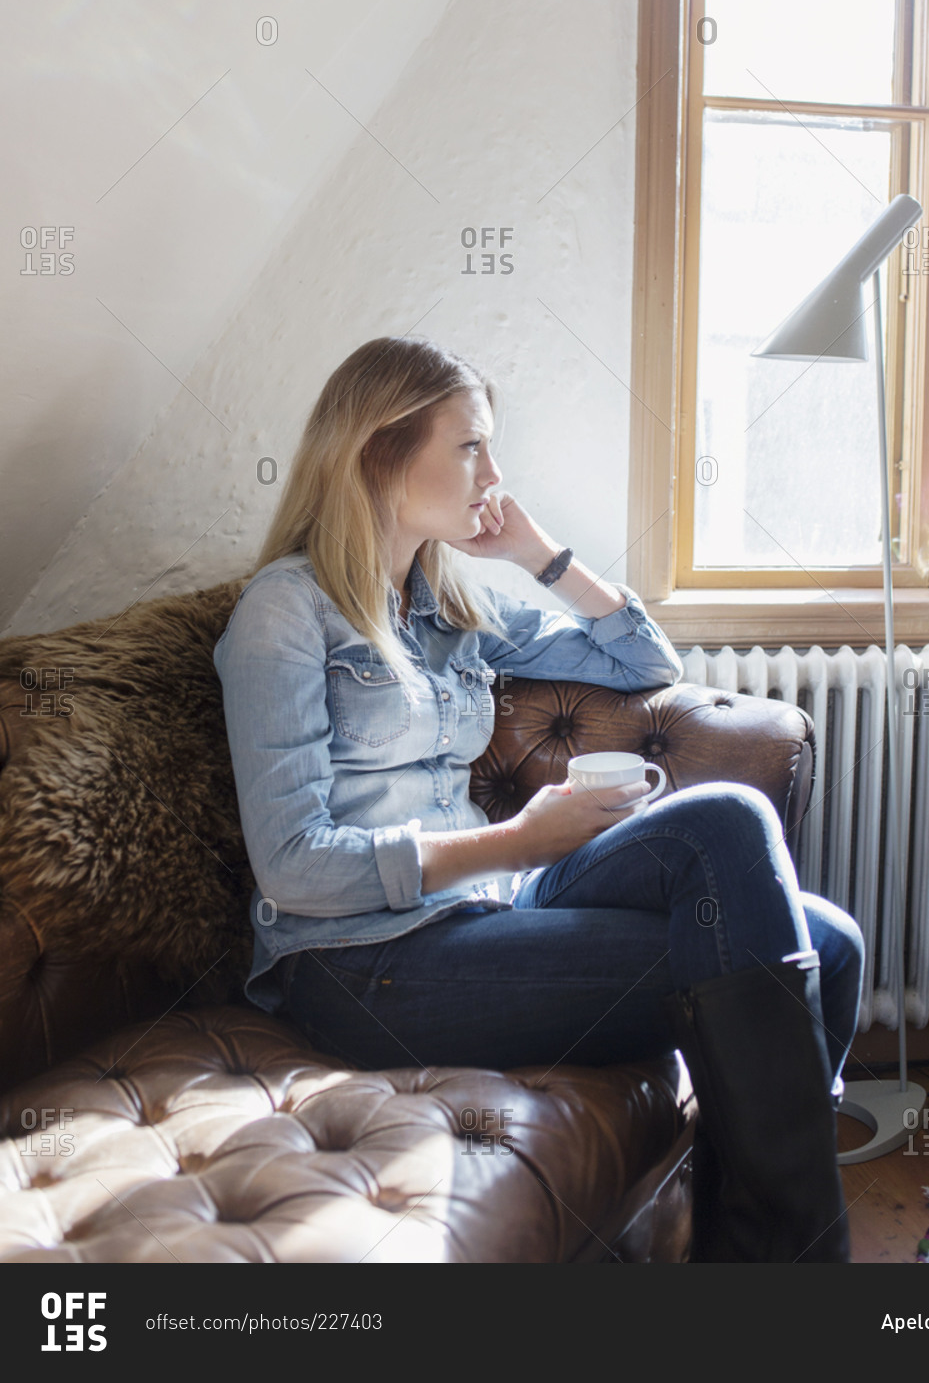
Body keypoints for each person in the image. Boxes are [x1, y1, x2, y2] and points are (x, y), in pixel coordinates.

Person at [213, 335, 864, 1263]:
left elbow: (643, 661)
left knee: (812, 919)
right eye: (471, 446)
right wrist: (521, 840)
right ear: (379, 452)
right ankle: (793, 1272)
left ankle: (743, 1242)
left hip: (489, 909)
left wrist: (534, 552)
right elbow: (294, 864)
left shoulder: (445, 598)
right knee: (781, 943)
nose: (493, 472)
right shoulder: (285, 613)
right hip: (364, 965)